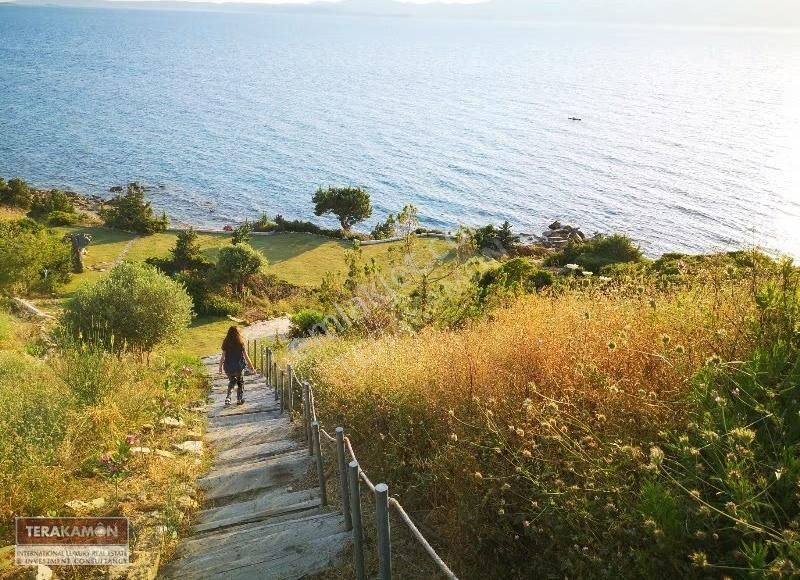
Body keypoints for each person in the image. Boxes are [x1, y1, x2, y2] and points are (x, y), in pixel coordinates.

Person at [218, 326, 255, 406]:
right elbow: (246, 356)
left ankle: (228, 398)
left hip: (228, 368)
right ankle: (239, 399)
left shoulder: (226, 343)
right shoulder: (240, 343)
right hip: (239, 367)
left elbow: (223, 357)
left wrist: (220, 367)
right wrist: (252, 367)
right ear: (237, 334)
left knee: (232, 382)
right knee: (240, 382)